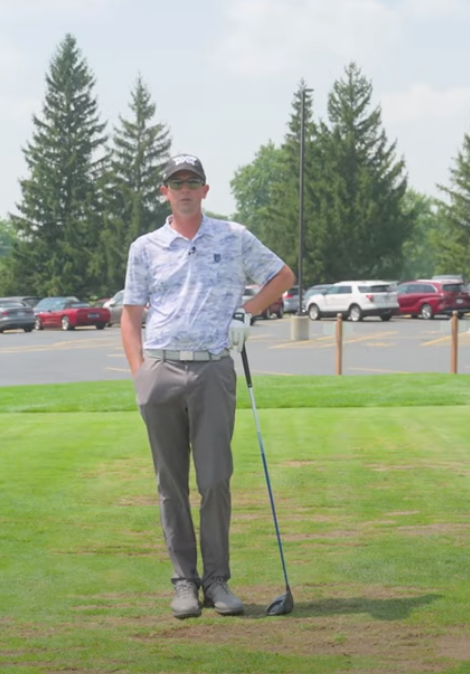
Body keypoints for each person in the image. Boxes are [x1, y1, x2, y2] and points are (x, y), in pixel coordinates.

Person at [120, 153, 295, 619]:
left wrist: (248, 311)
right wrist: (141, 374)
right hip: (161, 372)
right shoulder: (146, 247)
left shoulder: (233, 237)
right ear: (164, 192)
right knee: (170, 484)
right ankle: (184, 582)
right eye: (176, 183)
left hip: (214, 369)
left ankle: (216, 581)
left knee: (215, 479)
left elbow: (282, 276)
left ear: (205, 189)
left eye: (192, 181)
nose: (184, 189)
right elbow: (131, 315)